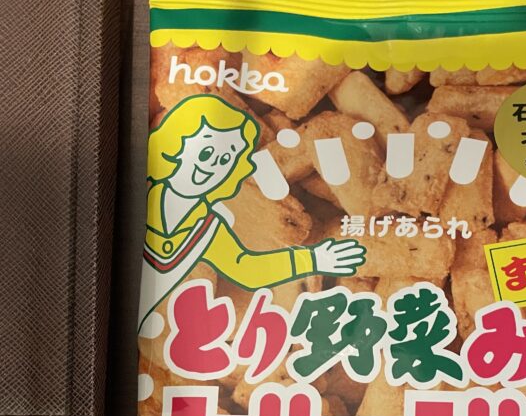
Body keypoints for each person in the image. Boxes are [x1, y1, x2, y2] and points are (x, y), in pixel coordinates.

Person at [138, 94, 365, 327]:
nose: (213, 166)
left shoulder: (207, 228)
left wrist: (313, 259)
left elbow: (246, 267)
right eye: (206, 153)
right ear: (175, 145)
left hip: (163, 331)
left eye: (226, 160)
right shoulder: (140, 191)